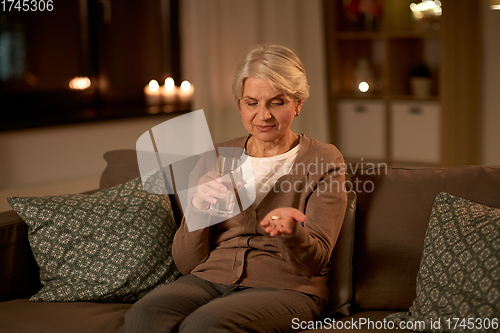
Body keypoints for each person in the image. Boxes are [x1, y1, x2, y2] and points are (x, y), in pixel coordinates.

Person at [123, 44, 348, 332]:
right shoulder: (216, 156)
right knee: (143, 316)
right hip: (208, 280)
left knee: (204, 325)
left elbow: (313, 264)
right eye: (251, 102)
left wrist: (293, 234)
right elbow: (186, 263)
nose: (262, 116)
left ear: (298, 104)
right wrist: (197, 208)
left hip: (288, 288)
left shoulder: (323, 159)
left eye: (276, 103)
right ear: (239, 103)